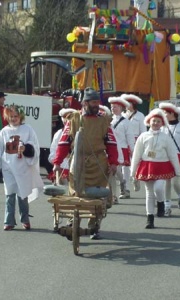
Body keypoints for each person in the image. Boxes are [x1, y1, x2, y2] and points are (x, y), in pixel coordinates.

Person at [53, 88, 118, 240]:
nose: (97, 105)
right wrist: (57, 162)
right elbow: (64, 142)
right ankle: (72, 222)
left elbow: (111, 143)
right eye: (93, 102)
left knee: (97, 197)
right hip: (78, 163)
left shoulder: (104, 121)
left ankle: (94, 225)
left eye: (97, 102)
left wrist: (114, 162)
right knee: (75, 193)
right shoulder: (74, 119)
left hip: (98, 164)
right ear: (84, 103)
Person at [0, 105, 43, 231]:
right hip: (8, 168)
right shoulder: (4, 131)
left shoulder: (27, 129)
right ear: (7, 117)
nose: (14, 119)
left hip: (23, 167)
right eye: (11, 117)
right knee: (9, 194)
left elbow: (34, 145)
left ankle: (25, 219)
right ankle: (8, 221)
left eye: (16, 116)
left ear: (20, 117)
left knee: (22, 195)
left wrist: (27, 148)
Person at [130, 108, 180, 228]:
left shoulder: (166, 137)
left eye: (158, 121)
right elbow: (137, 154)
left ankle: (161, 203)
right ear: (149, 121)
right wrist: (133, 172)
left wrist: (177, 170)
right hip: (147, 165)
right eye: (154, 121)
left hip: (162, 165)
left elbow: (173, 154)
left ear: (162, 123)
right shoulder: (143, 136)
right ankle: (150, 218)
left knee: (158, 188)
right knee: (149, 193)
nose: (156, 123)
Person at [109, 96, 135, 201]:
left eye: (115, 107)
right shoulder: (108, 120)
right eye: (112, 107)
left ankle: (124, 187)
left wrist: (132, 150)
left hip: (122, 148)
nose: (113, 109)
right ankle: (119, 188)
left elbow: (130, 136)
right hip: (112, 148)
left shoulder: (126, 122)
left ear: (120, 108)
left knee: (122, 169)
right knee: (114, 171)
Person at [121, 93, 146, 192]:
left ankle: (135, 178)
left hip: (136, 140)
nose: (127, 104)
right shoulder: (122, 115)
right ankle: (126, 186)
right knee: (125, 164)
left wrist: (142, 143)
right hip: (124, 141)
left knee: (135, 162)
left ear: (134, 104)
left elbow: (143, 131)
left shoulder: (140, 115)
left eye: (129, 103)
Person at [47, 108, 77, 186]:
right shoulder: (58, 134)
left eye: (70, 118)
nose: (67, 120)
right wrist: (61, 158)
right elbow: (52, 155)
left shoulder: (80, 132)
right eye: (65, 118)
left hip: (77, 172)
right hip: (61, 171)